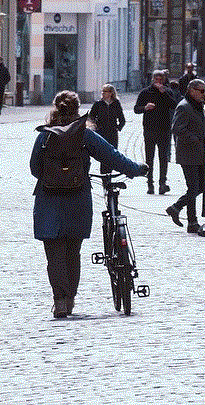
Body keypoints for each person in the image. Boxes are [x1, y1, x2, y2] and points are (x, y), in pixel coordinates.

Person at [30, 90, 147, 318]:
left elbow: (35, 169)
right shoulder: (84, 135)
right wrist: (136, 169)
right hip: (77, 199)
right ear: (77, 110)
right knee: (73, 252)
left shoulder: (44, 136)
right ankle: (71, 298)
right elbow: (112, 156)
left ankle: (59, 300)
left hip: (48, 201)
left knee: (54, 255)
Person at [166, 79, 205, 233]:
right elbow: (177, 129)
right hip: (188, 154)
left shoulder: (197, 106)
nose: (204, 94)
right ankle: (191, 221)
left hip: (199, 154)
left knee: (201, 186)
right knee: (194, 187)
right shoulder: (184, 107)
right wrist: (195, 139)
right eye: (201, 91)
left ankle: (177, 208)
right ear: (192, 91)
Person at [133, 70, 176, 194]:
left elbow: (173, 105)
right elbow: (136, 109)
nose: (158, 82)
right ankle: (150, 184)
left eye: (160, 80)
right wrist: (145, 108)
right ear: (152, 79)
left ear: (164, 80)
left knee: (163, 157)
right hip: (149, 128)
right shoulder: (145, 92)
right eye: (156, 79)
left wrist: (164, 93)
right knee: (149, 158)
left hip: (164, 128)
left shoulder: (167, 91)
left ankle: (162, 183)